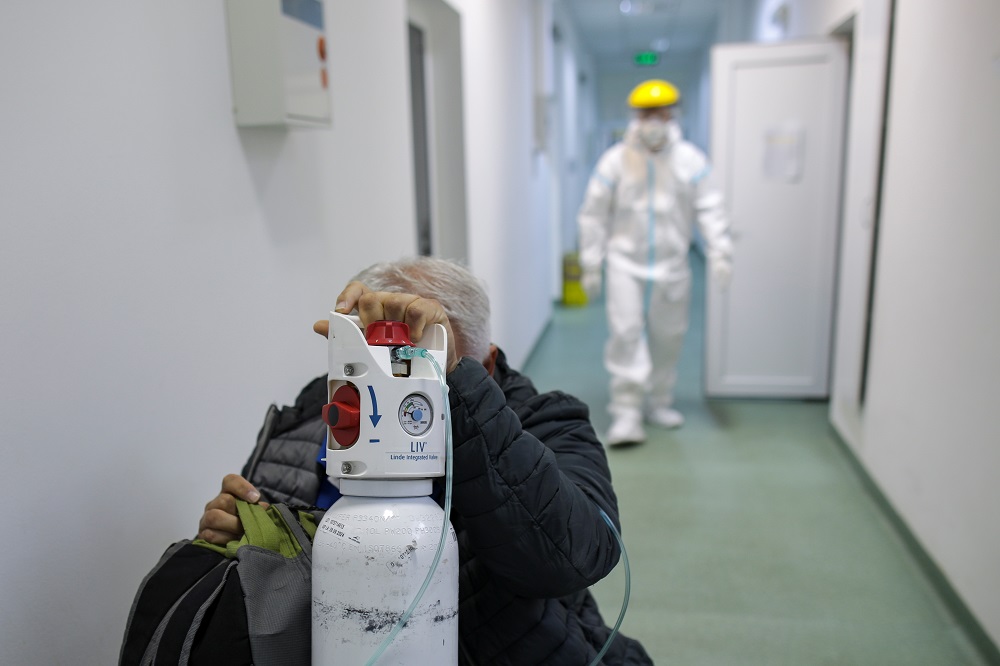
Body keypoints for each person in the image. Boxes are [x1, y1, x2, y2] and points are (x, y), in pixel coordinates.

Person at [198, 256, 653, 665]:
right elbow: (270, 580)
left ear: (487, 364)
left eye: (422, 362)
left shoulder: (546, 419)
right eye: (382, 359)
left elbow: (572, 558)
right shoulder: (319, 411)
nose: (401, 381)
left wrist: (455, 382)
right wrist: (242, 535)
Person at [577, 79, 733, 446]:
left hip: (672, 264)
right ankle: (627, 412)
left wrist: (720, 251)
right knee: (626, 333)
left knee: (669, 336)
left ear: (672, 114)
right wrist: (589, 261)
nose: (653, 121)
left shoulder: (691, 159)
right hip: (624, 264)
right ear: (635, 115)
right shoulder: (615, 160)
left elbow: (710, 208)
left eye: (660, 113)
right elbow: (593, 215)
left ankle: (659, 401)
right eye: (646, 113)